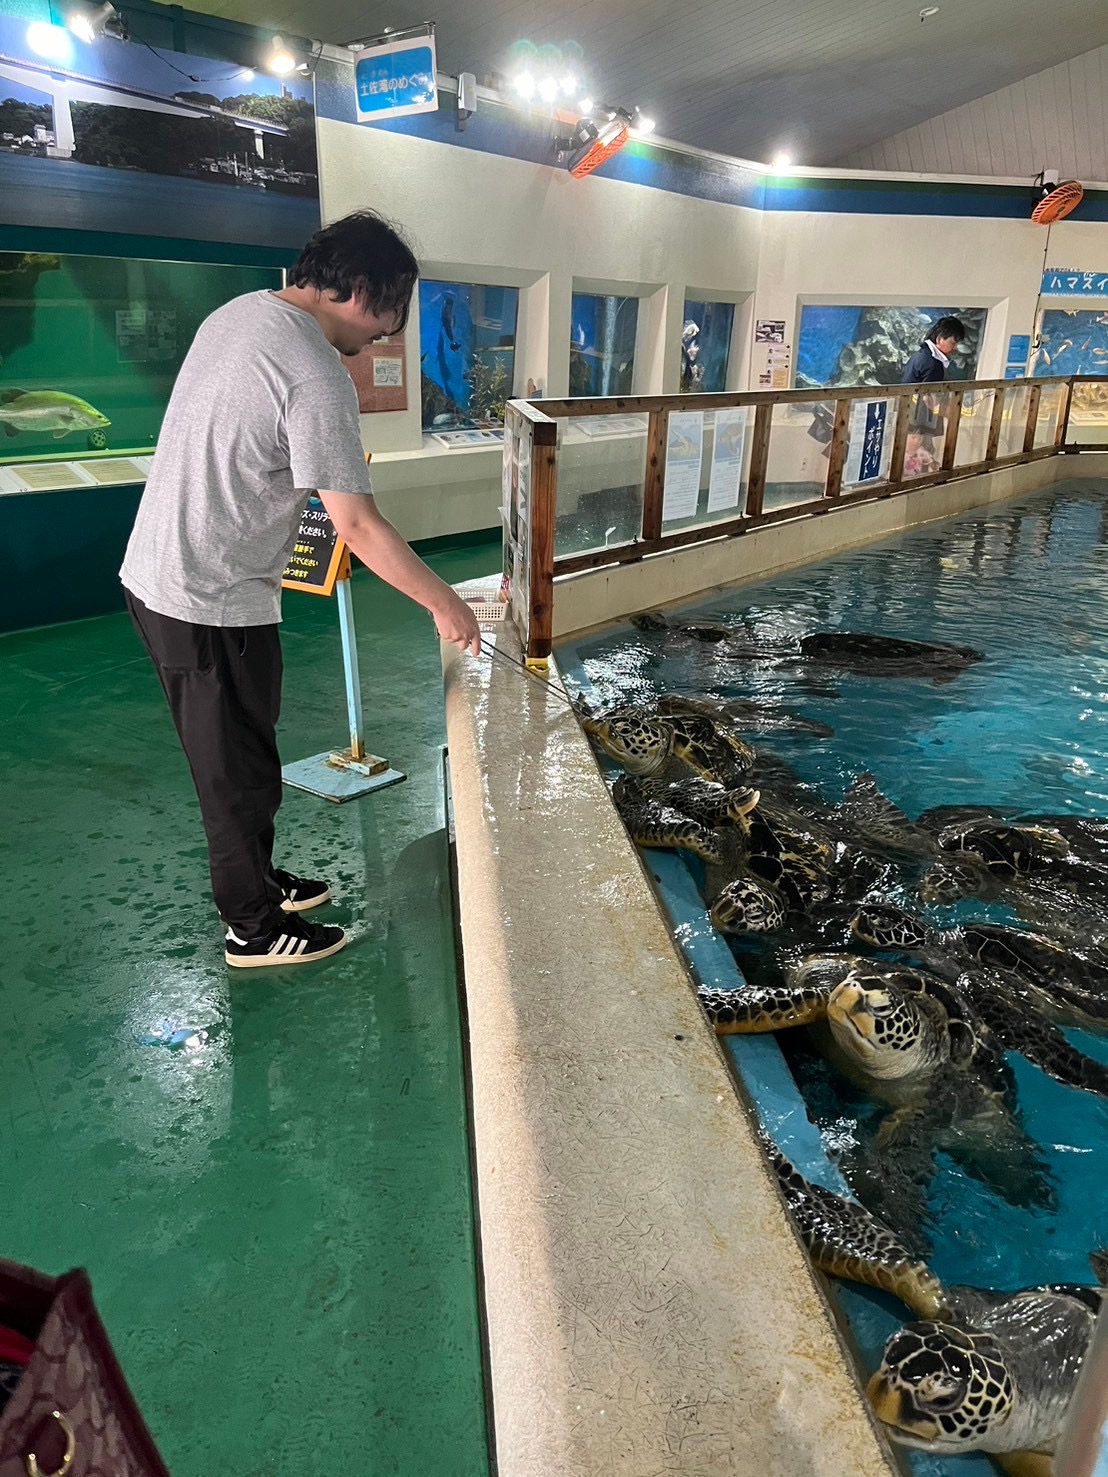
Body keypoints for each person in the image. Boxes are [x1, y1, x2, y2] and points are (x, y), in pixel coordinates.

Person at [119, 211, 481, 969]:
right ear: (354, 288)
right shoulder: (315, 374)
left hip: (170, 572)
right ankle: (252, 926)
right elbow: (357, 524)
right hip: (203, 592)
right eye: (389, 315)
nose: (387, 335)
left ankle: (262, 879)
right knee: (231, 770)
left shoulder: (242, 312)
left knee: (248, 746)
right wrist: (446, 602)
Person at [900, 316, 966, 384]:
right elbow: (928, 394)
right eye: (953, 343)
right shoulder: (931, 364)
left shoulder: (921, 355)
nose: (955, 347)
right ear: (939, 339)